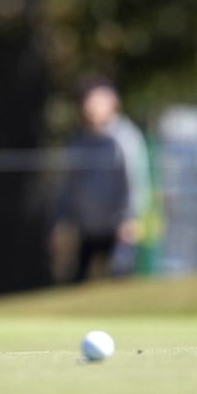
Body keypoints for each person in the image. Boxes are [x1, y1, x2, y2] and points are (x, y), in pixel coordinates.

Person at [51, 79, 151, 282]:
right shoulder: (79, 141)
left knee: (120, 278)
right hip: (88, 228)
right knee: (77, 282)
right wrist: (61, 219)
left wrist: (131, 217)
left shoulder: (125, 138)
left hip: (119, 228)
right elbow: (70, 184)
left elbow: (136, 180)